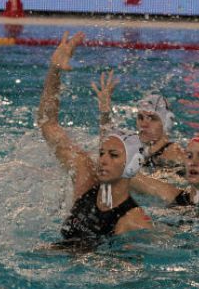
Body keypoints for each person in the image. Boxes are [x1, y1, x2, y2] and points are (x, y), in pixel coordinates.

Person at [38, 31, 152, 246]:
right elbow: (48, 124)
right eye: (102, 153)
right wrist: (54, 71)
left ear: (132, 165)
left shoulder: (133, 222)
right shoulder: (85, 181)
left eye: (113, 155)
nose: (103, 159)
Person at [92, 76, 185, 175]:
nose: (144, 124)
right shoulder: (134, 143)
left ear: (166, 124)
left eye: (152, 118)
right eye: (140, 117)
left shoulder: (173, 153)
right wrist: (105, 113)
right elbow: (106, 145)